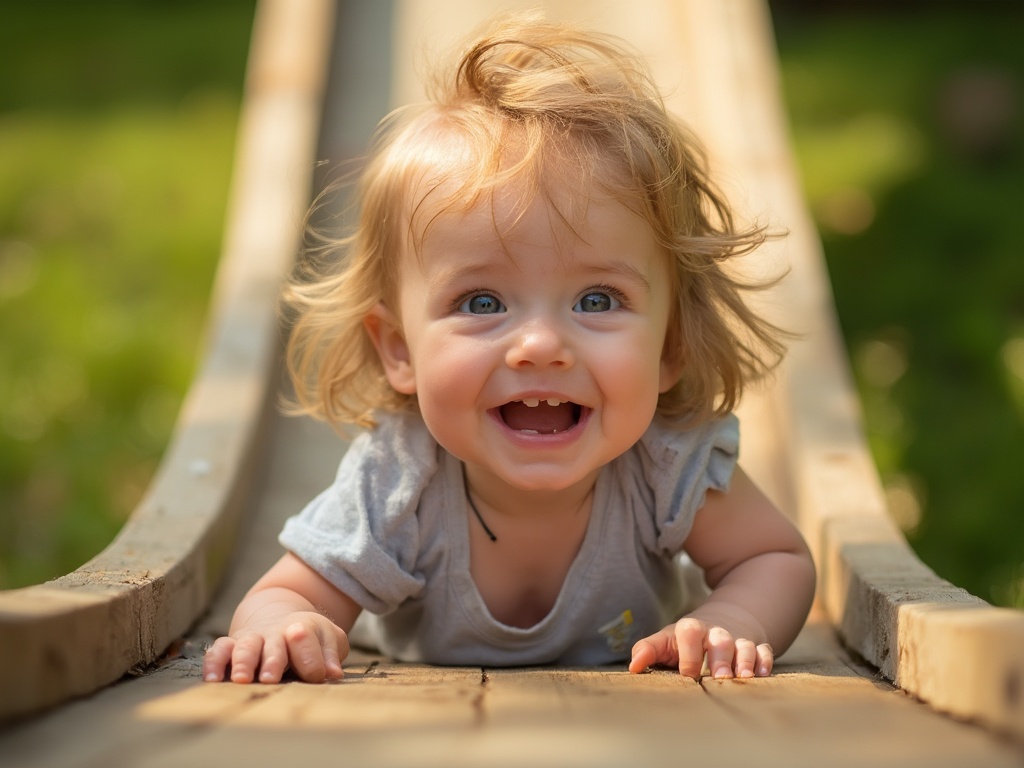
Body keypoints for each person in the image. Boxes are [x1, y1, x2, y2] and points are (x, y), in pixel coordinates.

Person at [203, 13, 816, 686]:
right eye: (483, 304)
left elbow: (773, 559)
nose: (541, 346)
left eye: (597, 300)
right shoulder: (400, 483)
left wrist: (735, 619)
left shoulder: (665, 466)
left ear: (670, 347)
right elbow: (282, 595)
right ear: (400, 350)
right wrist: (289, 623)